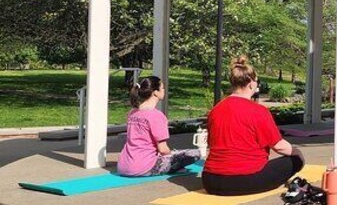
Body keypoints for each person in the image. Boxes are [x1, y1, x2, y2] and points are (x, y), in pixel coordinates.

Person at [202, 56, 305, 196]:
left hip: (210, 180)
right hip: (245, 179)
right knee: (294, 159)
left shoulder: (216, 110)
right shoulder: (258, 111)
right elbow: (279, 146)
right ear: (251, 84)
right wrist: (297, 153)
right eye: (257, 81)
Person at [117, 77, 201, 177]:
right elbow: (163, 149)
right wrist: (173, 156)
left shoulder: (133, 112)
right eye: (162, 88)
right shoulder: (157, 116)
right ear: (156, 92)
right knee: (195, 153)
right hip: (144, 167)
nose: (164, 90)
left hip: (123, 166)